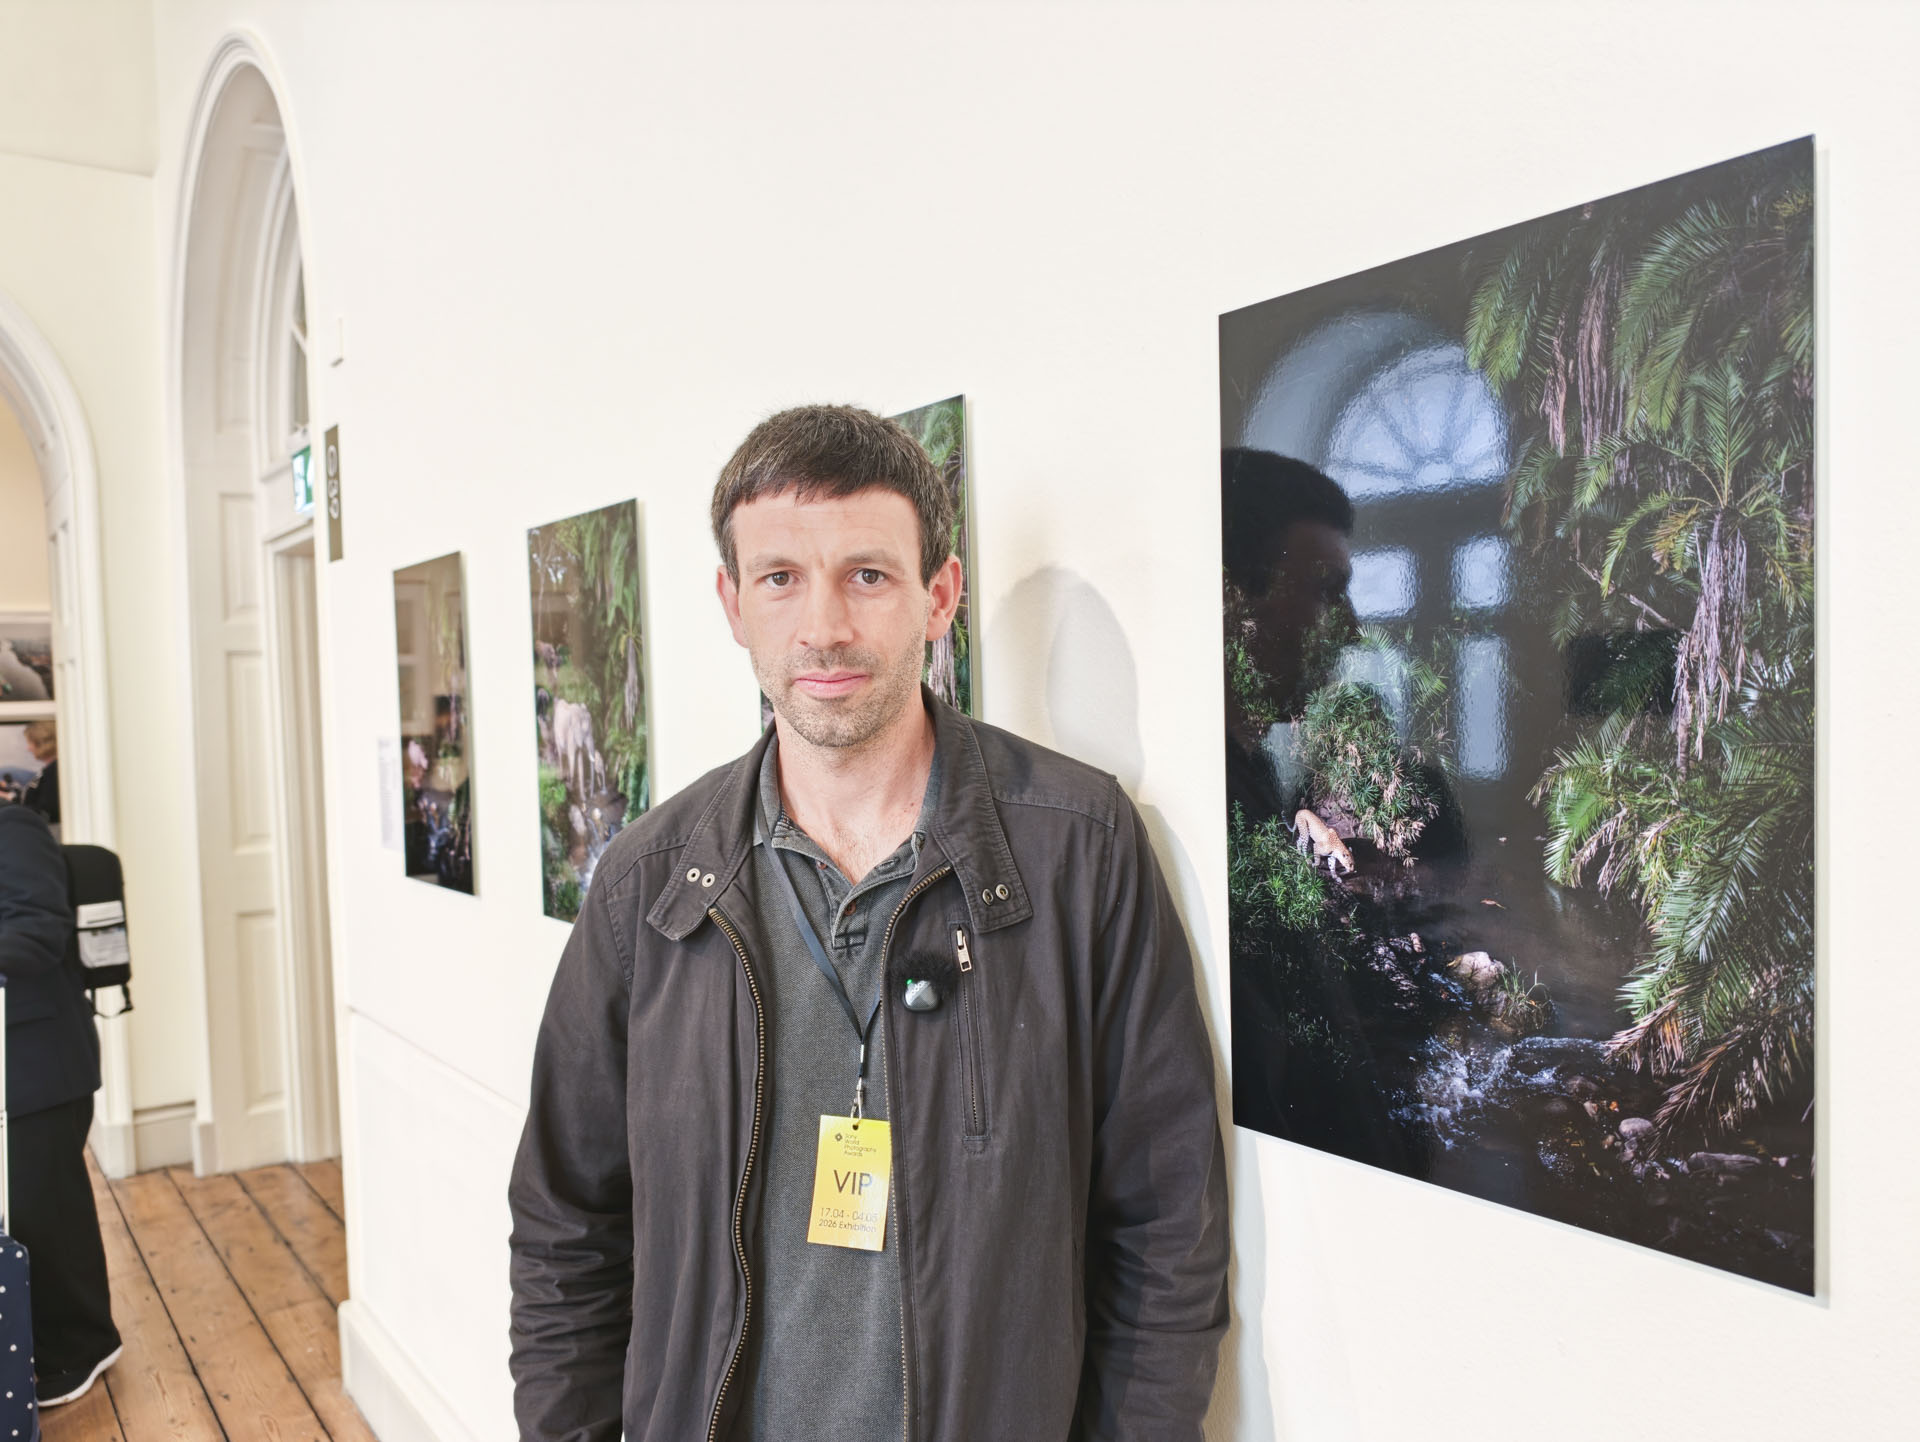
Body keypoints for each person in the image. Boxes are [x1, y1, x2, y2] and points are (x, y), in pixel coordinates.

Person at [509, 405, 1228, 1441]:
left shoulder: (1079, 850)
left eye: (867, 575)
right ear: (733, 603)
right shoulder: (647, 890)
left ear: (940, 595)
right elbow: (566, 1230)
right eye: (780, 577)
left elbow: (1167, 1224)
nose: (824, 627)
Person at [0, 800, 121, 1407]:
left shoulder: (13, 830)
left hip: (39, 1067)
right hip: (14, 1066)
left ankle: (81, 1347)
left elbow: (36, 932)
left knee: (44, 1215)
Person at [21, 719, 59, 830]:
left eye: (30, 743)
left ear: (41, 743)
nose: (28, 748)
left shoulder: (54, 772)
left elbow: (46, 810)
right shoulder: (49, 770)